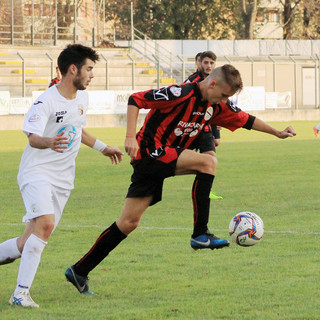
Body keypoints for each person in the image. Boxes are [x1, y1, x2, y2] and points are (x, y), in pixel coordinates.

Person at [64, 64, 296, 295]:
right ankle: (200, 233)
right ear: (213, 83)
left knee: (128, 223)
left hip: (162, 160)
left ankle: (79, 270)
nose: (224, 101)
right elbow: (136, 99)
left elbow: (246, 119)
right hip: (149, 152)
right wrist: (129, 136)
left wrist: (277, 132)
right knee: (208, 162)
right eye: (224, 95)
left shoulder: (215, 106)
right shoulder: (181, 93)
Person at [0, 44, 123, 308]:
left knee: (27, 242)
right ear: (72, 69)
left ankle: (18, 286)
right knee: (45, 224)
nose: (92, 75)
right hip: (37, 173)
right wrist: (50, 142)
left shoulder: (82, 98)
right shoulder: (46, 101)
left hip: (63, 179)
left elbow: (78, 130)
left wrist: (103, 148)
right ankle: (20, 294)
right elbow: (33, 138)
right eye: (89, 69)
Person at [185, 51, 222, 199]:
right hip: (194, 124)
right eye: (206, 63)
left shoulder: (215, 80)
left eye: (211, 63)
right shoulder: (192, 81)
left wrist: (218, 120)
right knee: (208, 159)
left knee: (214, 150)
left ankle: (204, 191)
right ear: (199, 63)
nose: (208, 66)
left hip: (206, 122)